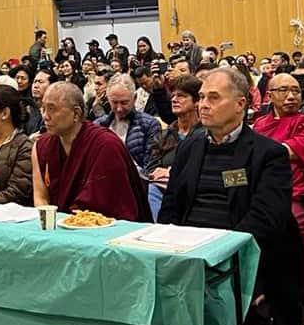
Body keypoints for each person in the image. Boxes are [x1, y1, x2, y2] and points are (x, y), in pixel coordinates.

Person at [157, 69, 301, 325]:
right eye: (201, 97)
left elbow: (266, 220)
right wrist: (166, 243)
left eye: (213, 98)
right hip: (187, 250)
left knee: (208, 295)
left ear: (240, 104)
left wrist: (216, 250)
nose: (203, 105)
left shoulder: (268, 153)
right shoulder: (190, 147)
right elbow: (171, 205)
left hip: (240, 254)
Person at [252, 73, 304, 276]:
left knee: (293, 225)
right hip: (259, 189)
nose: (291, 96)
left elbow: (283, 151)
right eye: (283, 90)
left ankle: (301, 279)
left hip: (294, 192)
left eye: (296, 91)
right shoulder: (260, 124)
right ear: (270, 95)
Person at [31, 82, 149, 221]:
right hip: (57, 225)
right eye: (43, 109)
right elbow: (41, 198)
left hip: (103, 227)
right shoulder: (41, 146)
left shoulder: (106, 145)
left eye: (52, 109)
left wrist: (69, 223)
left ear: (76, 113)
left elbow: (109, 205)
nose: (45, 116)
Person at [144, 74, 202, 220]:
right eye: (173, 95)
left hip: (195, 193)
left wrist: (171, 173)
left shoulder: (207, 134)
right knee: (151, 189)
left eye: (181, 96)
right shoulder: (164, 135)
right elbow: (151, 168)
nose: (174, 99)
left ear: (197, 101)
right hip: (162, 191)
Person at [95, 76, 161, 171]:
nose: (119, 108)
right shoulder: (98, 125)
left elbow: (151, 166)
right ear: (108, 99)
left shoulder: (149, 125)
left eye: (124, 103)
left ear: (134, 98)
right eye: (114, 102)